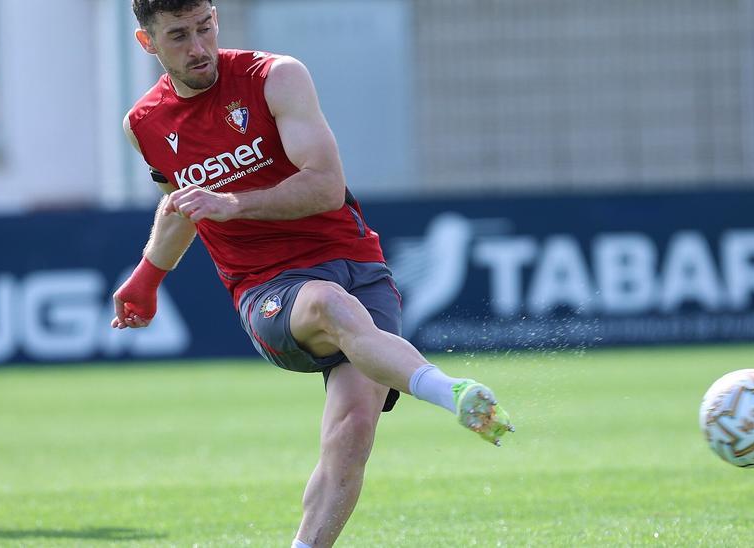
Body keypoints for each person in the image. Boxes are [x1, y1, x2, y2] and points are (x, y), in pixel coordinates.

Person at [114, 1, 513, 546]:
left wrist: (232, 203)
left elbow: (325, 187)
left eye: (205, 27)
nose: (200, 47)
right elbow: (183, 206)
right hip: (268, 287)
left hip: (359, 267)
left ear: (216, 17)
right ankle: (454, 392)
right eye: (179, 36)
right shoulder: (144, 124)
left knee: (352, 433)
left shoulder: (275, 77)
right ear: (148, 43)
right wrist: (147, 278)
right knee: (327, 303)